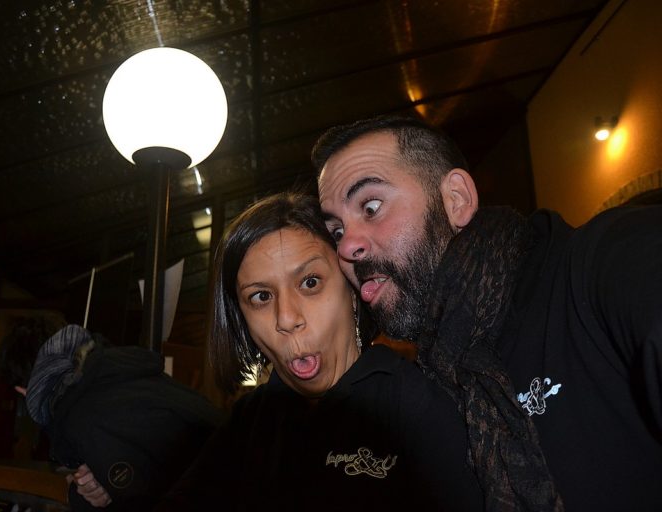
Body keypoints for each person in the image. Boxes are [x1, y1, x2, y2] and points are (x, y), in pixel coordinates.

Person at [313, 114, 662, 511]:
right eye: (337, 231)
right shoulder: (426, 384)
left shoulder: (599, 262)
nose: (347, 248)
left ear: (457, 200)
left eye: (371, 207)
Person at [156, 191, 484, 511]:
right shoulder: (249, 421)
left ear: (351, 289)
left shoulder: (416, 403)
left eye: (310, 282)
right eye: (261, 297)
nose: (286, 318)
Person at [0, 322, 223, 511]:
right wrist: (103, 478)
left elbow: (137, 499)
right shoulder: (117, 369)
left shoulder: (81, 413)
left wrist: (86, 496)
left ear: (23, 391)